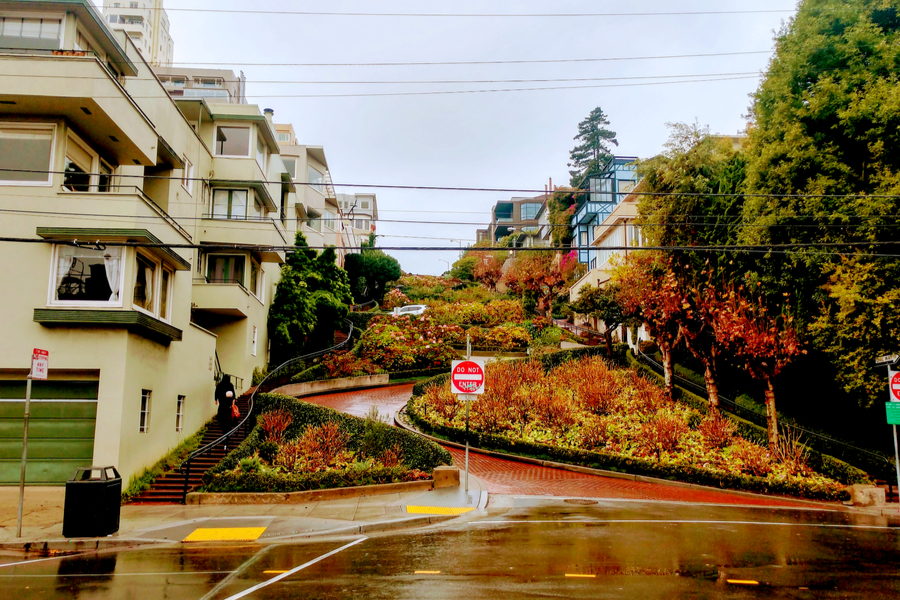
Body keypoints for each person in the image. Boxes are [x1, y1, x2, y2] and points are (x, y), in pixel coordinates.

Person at [214, 376, 237, 447]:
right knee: (228, 422)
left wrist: (216, 399)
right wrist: (233, 403)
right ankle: (227, 436)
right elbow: (234, 396)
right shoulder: (230, 385)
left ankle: (224, 434)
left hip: (222, 407)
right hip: (228, 407)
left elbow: (216, 392)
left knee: (222, 421)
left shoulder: (219, 385)